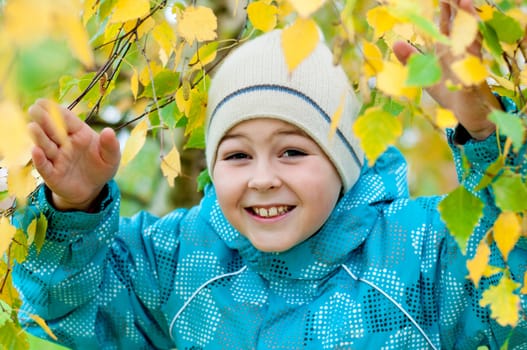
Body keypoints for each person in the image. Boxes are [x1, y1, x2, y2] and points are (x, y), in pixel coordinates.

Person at [12, 0, 526, 349]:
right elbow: (77, 307)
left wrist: (485, 133)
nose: (261, 178)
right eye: (237, 155)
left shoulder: (418, 250)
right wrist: (75, 206)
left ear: (343, 161)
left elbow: (516, 286)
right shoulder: (182, 259)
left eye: (293, 152)